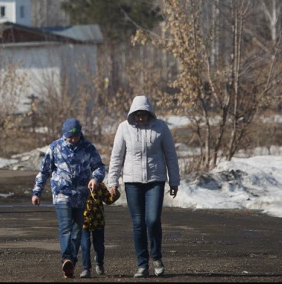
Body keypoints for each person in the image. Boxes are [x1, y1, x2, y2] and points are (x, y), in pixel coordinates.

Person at [107, 95, 180, 278]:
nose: (141, 118)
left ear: (150, 113)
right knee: (138, 223)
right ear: (133, 114)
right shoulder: (124, 128)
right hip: (132, 182)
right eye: (138, 115)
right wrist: (112, 182)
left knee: (153, 220)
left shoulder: (161, 127)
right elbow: (117, 156)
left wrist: (174, 181)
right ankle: (142, 264)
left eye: (144, 114)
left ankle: (156, 257)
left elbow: (170, 155)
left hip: (155, 180)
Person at [32, 118, 107, 279]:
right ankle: (66, 258)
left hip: (81, 196)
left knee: (77, 232)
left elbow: (100, 167)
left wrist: (95, 178)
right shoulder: (56, 147)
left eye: (75, 136)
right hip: (62, 194)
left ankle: (71, 262)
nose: (72, 140)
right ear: (64, 135)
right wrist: (36, 192)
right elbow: (44, 170)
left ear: (80, 134)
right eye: (69, 137)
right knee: (65, 227)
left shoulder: (88, 148)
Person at [78, 182, 121, 278]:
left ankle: (99, 262)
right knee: (85, 245)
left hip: (98, 221)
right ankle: (86, 268)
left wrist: (115, 193)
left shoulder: (99, 185)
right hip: (83, 221)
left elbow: (108, 200)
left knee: (99, 246)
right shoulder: (80, 184)